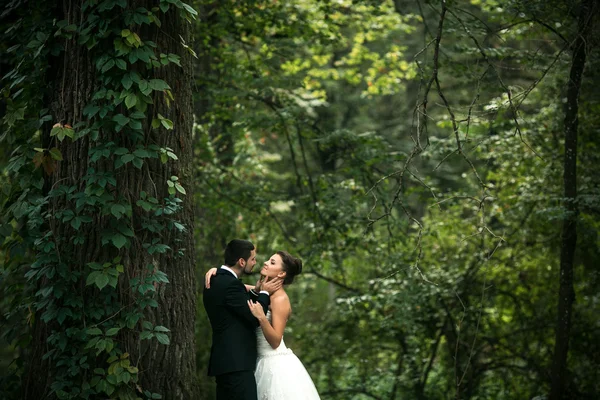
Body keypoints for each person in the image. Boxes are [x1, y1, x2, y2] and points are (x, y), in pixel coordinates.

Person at [206, 250, 320, 399]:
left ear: (281, 274)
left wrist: (262, 317)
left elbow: (275, 341)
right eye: (268, 259)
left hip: (274, 364)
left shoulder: (280, 300)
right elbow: (233, 284)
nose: (265, 262)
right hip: (256, 361)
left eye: (272, 262)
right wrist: (217, 271)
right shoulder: (264, 291)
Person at [203, 239, 283, 400]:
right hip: (236, 365)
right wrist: (265, 293)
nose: (255, 263)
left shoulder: (217, 279)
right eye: (252, 258)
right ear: (241, 261)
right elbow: (254, 318)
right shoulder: (230, 284)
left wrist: (257, 292)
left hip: (227, 363)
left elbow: (239, 306)